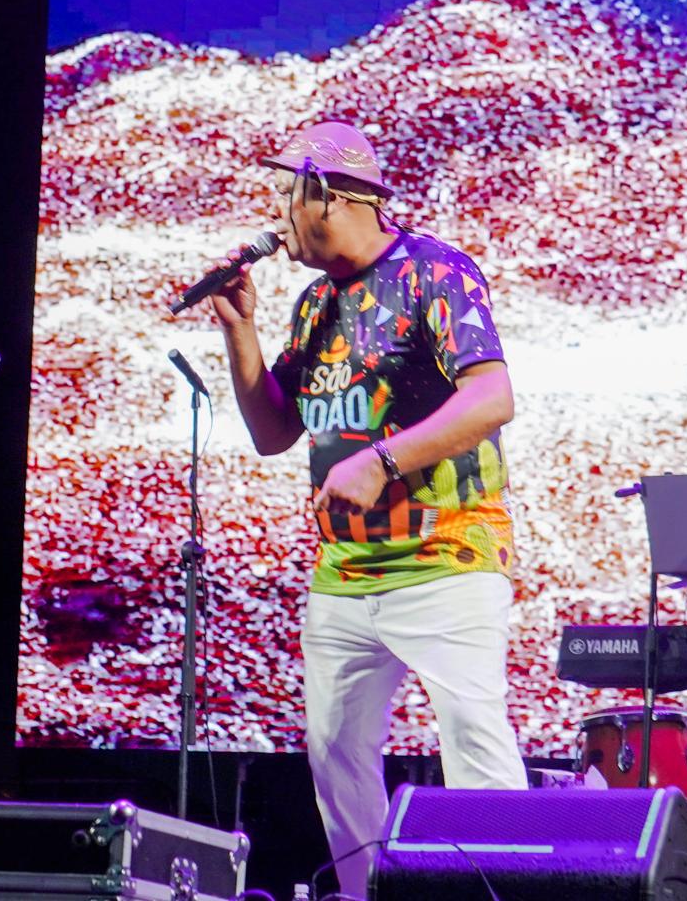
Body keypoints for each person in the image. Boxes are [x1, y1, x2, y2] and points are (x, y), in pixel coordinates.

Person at [206, 121, 527, 899]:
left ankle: (511, 890)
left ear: (329, 196)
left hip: (446, 555)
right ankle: (365, 893)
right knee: (336, 754)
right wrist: (241, 334)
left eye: (287, 194)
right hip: (345, 572)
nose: (279, 215)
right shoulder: (315, 303)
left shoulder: (435, 272)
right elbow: (274, 432)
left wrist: (381, 460)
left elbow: (492, 397)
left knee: (475, 742)